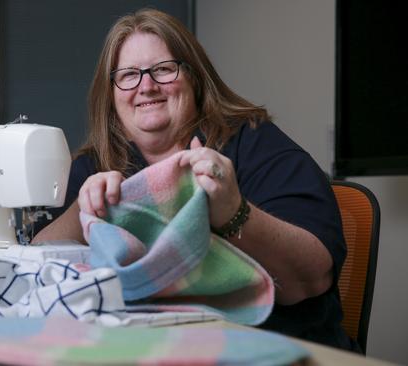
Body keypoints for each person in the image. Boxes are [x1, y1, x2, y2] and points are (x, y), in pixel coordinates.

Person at [32, 8, 355, 351]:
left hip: (269, 348)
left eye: (163, 69)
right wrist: (84, 210)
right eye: (128, 75)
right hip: (146, 348)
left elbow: (312, 278)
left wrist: (233, 212)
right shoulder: (97, 166)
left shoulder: (253, 144)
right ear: (110, 94)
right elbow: (37, 261)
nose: (147, 86)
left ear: (195, 78)